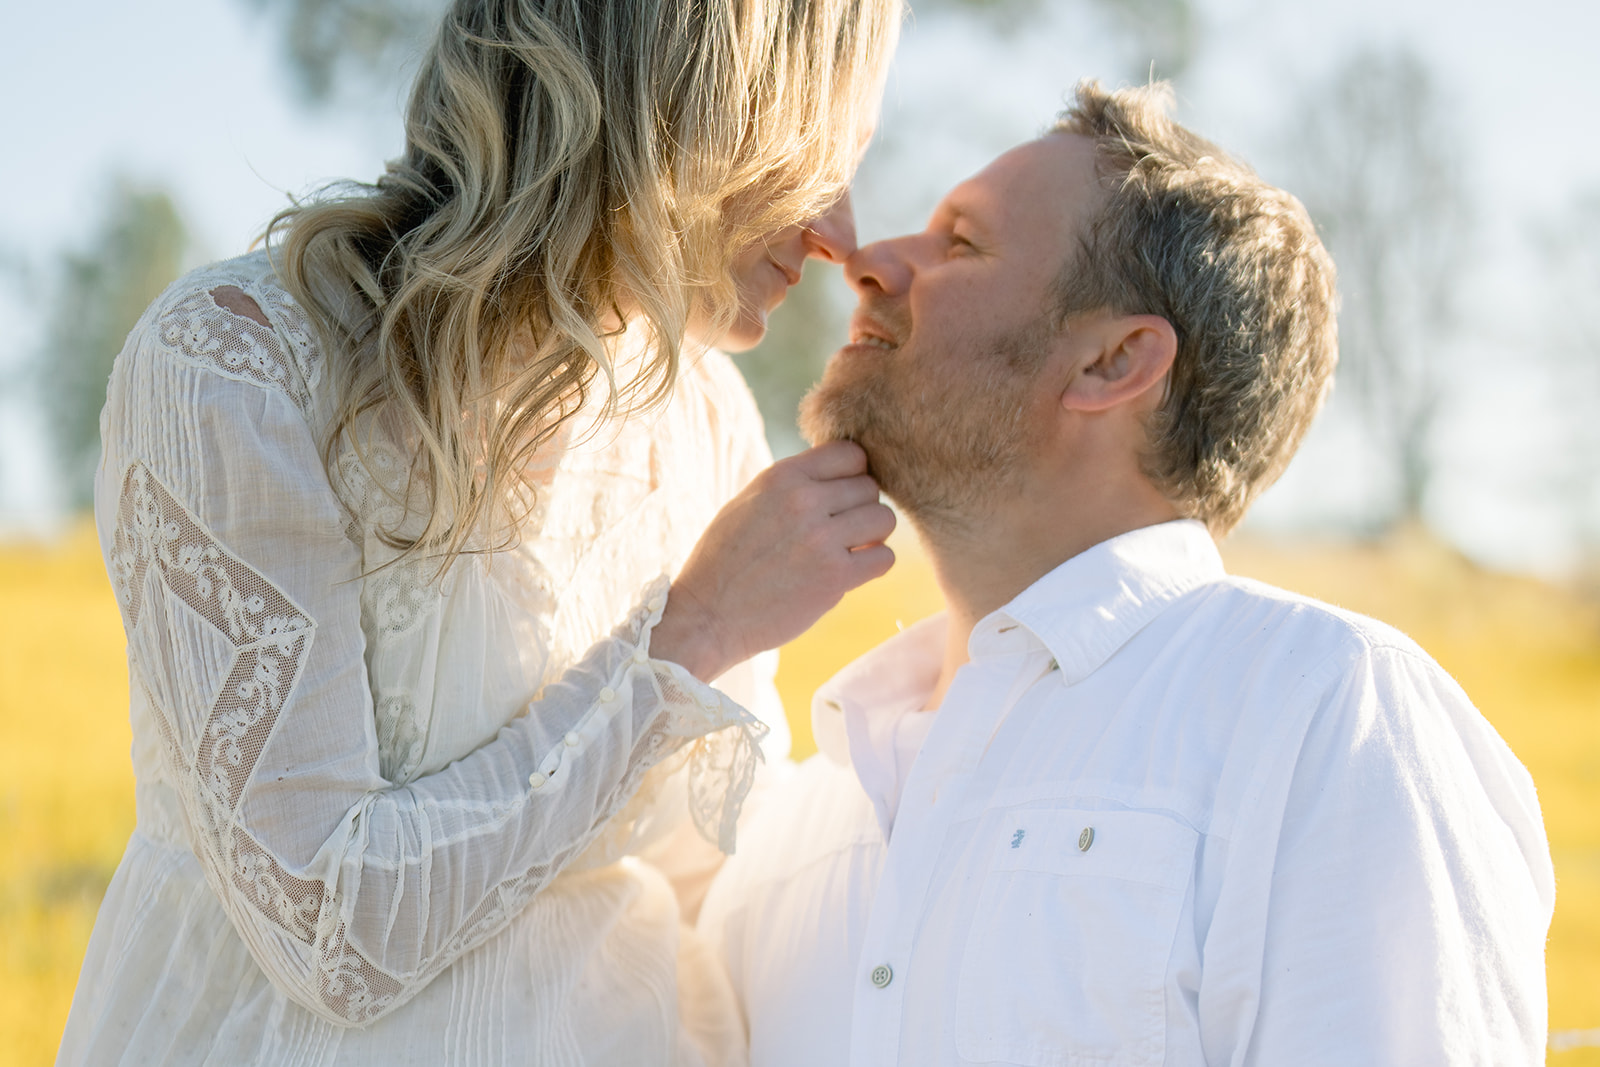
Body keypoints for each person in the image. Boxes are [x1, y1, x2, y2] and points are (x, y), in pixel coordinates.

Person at [56, 0, 903, 1063]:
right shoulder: (239, 365)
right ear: (680, 110)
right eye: (816, 157)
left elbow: (712, 885)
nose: (843, 235)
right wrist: (690, 635)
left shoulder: (708, 417)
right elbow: (328, 927)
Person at [696, 81, 1555, 1066]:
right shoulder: (806, 814)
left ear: (1111, 361)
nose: (870, 262)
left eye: (960, 243)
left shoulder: (1324, 713)